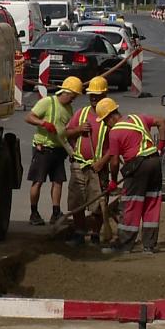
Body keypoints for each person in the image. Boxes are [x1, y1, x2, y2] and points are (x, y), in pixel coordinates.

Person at [97, 98, 165, 254]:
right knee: (152, 202)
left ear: (109, 117)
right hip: (155, 162)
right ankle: (149, 245)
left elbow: (114, 162)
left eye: (104, 121)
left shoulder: (114, 132)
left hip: (138, 167)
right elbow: (162, 121)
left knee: (131, 204)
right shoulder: (138, 118)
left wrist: (113, 181)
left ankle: (125, 244)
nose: (105, 125)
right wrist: (160, 147)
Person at [24, 76, 83, 226]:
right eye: (73, 96)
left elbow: (66, 132)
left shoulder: (69, 109)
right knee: (38, 181)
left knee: (58, 181)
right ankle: (34, 213)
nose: (73, 99)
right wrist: (43, 123)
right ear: (67, 92)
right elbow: (29, 117)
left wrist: (72, 151)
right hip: (43, 149)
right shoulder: (48, 102)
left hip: (58, 150)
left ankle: (56, 213)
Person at [64, 76, 110, 246]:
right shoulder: (81, 114)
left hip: (99, 168)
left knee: (98, 204)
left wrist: (102, 162)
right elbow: (66, 134)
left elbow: (115, 146)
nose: (94, 99)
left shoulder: (109, 116)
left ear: (105, 94)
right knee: (77, 201)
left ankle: (96, 234)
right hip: (79, 165)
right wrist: (78, 129)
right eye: (92, 95)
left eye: (97, 96)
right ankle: (79, 233)